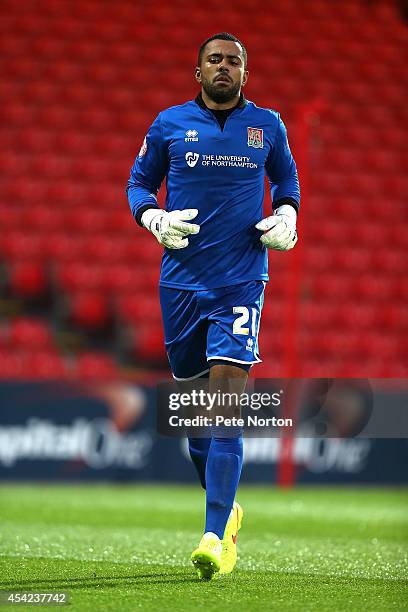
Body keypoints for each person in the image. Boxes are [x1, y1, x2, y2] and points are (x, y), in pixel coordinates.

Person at [126, 32, 300, 580]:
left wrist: (288, 216)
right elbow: (138, 184)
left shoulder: (267, 126)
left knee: (225, 409)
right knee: (194, 418)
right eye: (215, 60)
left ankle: (212, 535)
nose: (224, 67)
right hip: (180, 283)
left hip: (242, 284)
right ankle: (230, 512)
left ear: (245, 73)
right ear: (197, 70)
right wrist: (151, 217)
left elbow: (288, 183)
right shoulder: (168, 124)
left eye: (234, 61)